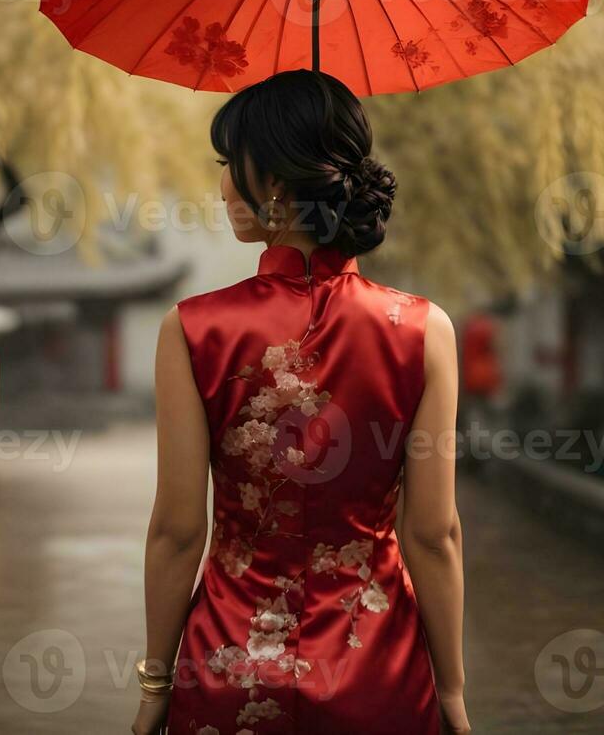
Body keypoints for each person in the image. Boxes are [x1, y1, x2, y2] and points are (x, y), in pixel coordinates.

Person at [131, 69, 469, 735]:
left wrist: (154, 686)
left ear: (277, 183)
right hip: (380, 672)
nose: (222, 183)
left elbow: (176, 532)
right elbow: (432, 533)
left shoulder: (193, 329)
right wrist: (451, 691)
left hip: (228, 670)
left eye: (231, 164)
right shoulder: (423, 330)